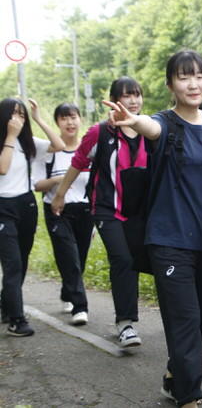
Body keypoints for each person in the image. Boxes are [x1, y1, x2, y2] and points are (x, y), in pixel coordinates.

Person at [103, 50, 202, 408]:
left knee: (195, 322)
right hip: (169, 241)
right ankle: (189, 397)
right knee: (183, 321)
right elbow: (150, 127)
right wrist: (132, 119)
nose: (193, 83)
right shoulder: (164, 123)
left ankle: (174, 377)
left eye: (199, 76)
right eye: (183, 77)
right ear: (170, 85)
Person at [52, 77, 147, 348]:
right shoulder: (100, 132)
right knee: (122, 259)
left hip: (138, 212)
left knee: (140, 260)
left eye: (137, 95)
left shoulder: (149, 129)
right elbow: (77, 162)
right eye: (127, 95)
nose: (133, 100)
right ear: (115, 99)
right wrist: (60, 195)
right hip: (106, 209)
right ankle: (125, 323)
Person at [0, 97, 64, 336]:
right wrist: (9, 136)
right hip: (2, 207)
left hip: (26, 205)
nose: (17, 119)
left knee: (22, 259)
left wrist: (38, 119)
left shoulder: (28, 143)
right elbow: (2, 168)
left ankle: (7, 303)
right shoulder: (6, 142)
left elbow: (58, 145)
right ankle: (17, 320)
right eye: (13, 114)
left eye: (22, 115)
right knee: (13, 263)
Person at [35, 103, 92, 325]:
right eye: (64, 118)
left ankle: (68, 292)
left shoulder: (88, 150)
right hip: (58, 210)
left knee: (80, 259)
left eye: (74, 117)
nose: (70, 122)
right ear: (57, 122)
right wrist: (63, 179)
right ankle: (80, 307)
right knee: (69, 258)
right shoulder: (50, 153)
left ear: (80, 120)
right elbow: (38, 185)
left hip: (85, 210)